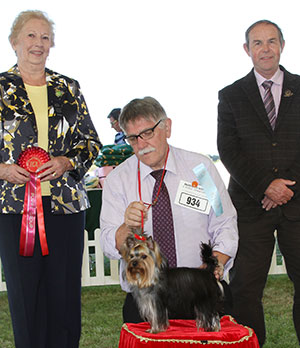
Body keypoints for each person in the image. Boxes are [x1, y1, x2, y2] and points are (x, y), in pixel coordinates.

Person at [0, 10, 102, 348]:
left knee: (64, 298)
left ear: (52, 44)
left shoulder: (68, 88)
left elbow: (91, 142)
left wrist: (66, 161)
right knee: (26, 299)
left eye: (45, 37)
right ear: (14, 42)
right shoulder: (0, 89)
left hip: (66, 208)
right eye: (30, 36)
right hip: (15, 210)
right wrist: (1, 169)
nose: (38, 43)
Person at [100, 96, 238, 323]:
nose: (142, 144)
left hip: (199, 289)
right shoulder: (117, 180)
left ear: (168, 127)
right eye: (133, 138)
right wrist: (127, 226)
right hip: (146, 295)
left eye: (148, 133)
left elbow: (224, 222)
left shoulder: (201, 169)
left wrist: (215, 263)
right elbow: (108, 244)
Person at [217, 20, 300, 347]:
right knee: (245, 290)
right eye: (257, 43)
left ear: (282, 45)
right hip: (251, 207)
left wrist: (285, 188)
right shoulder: (231, 95)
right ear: (246, 49)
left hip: (297, 204)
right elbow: (228, 149)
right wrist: (266, 186)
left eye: (271, 42)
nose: (265, 49)